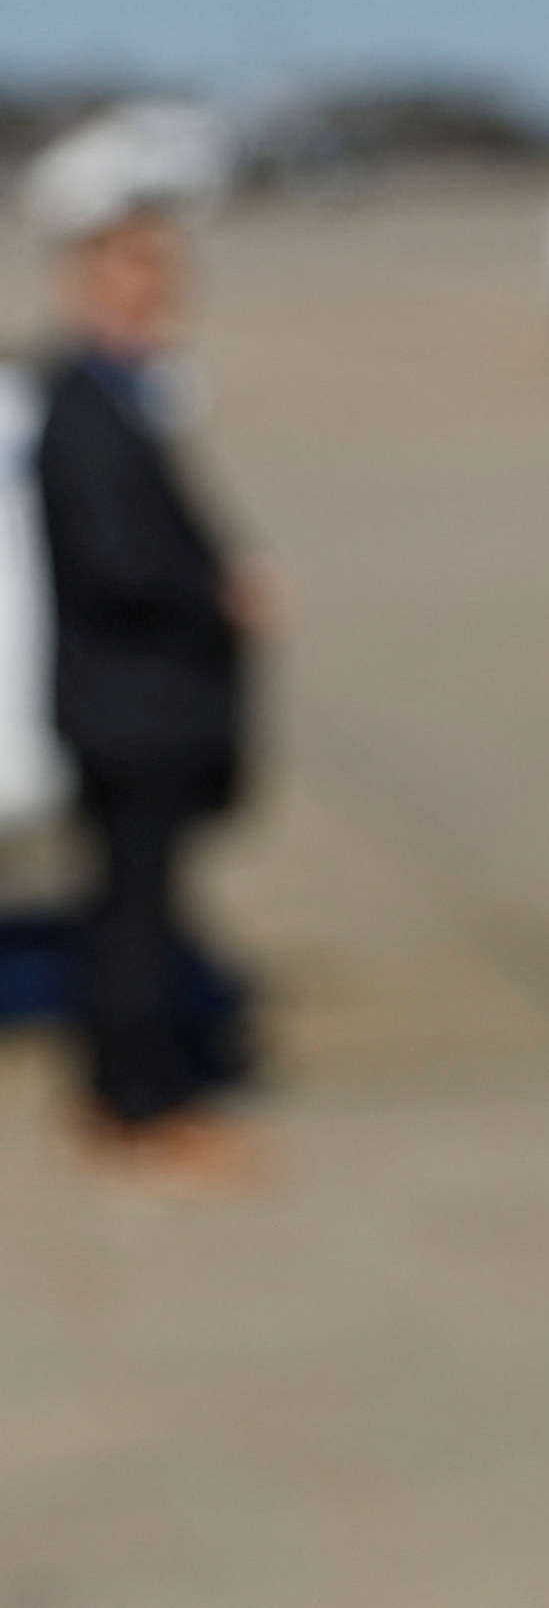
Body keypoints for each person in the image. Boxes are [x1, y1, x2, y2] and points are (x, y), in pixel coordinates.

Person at [34, 198, 263, 1188]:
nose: (158, 290)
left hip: (135, 701)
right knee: (135, 913)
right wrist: (219, 594)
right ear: (90, 281)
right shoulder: (84, 405)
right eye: (136, 271)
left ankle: (125, 1086)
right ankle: (139, 1102)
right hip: (131, 707)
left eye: (166, 271)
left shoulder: (130, 392)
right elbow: (115, 561)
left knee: (136, 905)